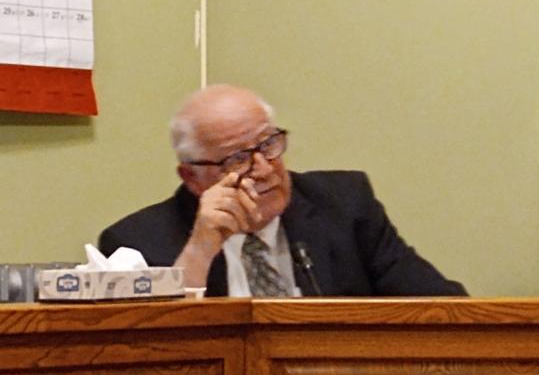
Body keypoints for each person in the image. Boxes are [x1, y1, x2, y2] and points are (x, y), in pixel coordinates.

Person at [99, 84, 467, 297]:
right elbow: (149, 358)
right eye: (237, 159)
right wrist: (200, 250)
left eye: (269, 144)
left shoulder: (345, 205)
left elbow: (443, 308)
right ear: (192, 177)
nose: (264, 169)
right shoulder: (136, 244)